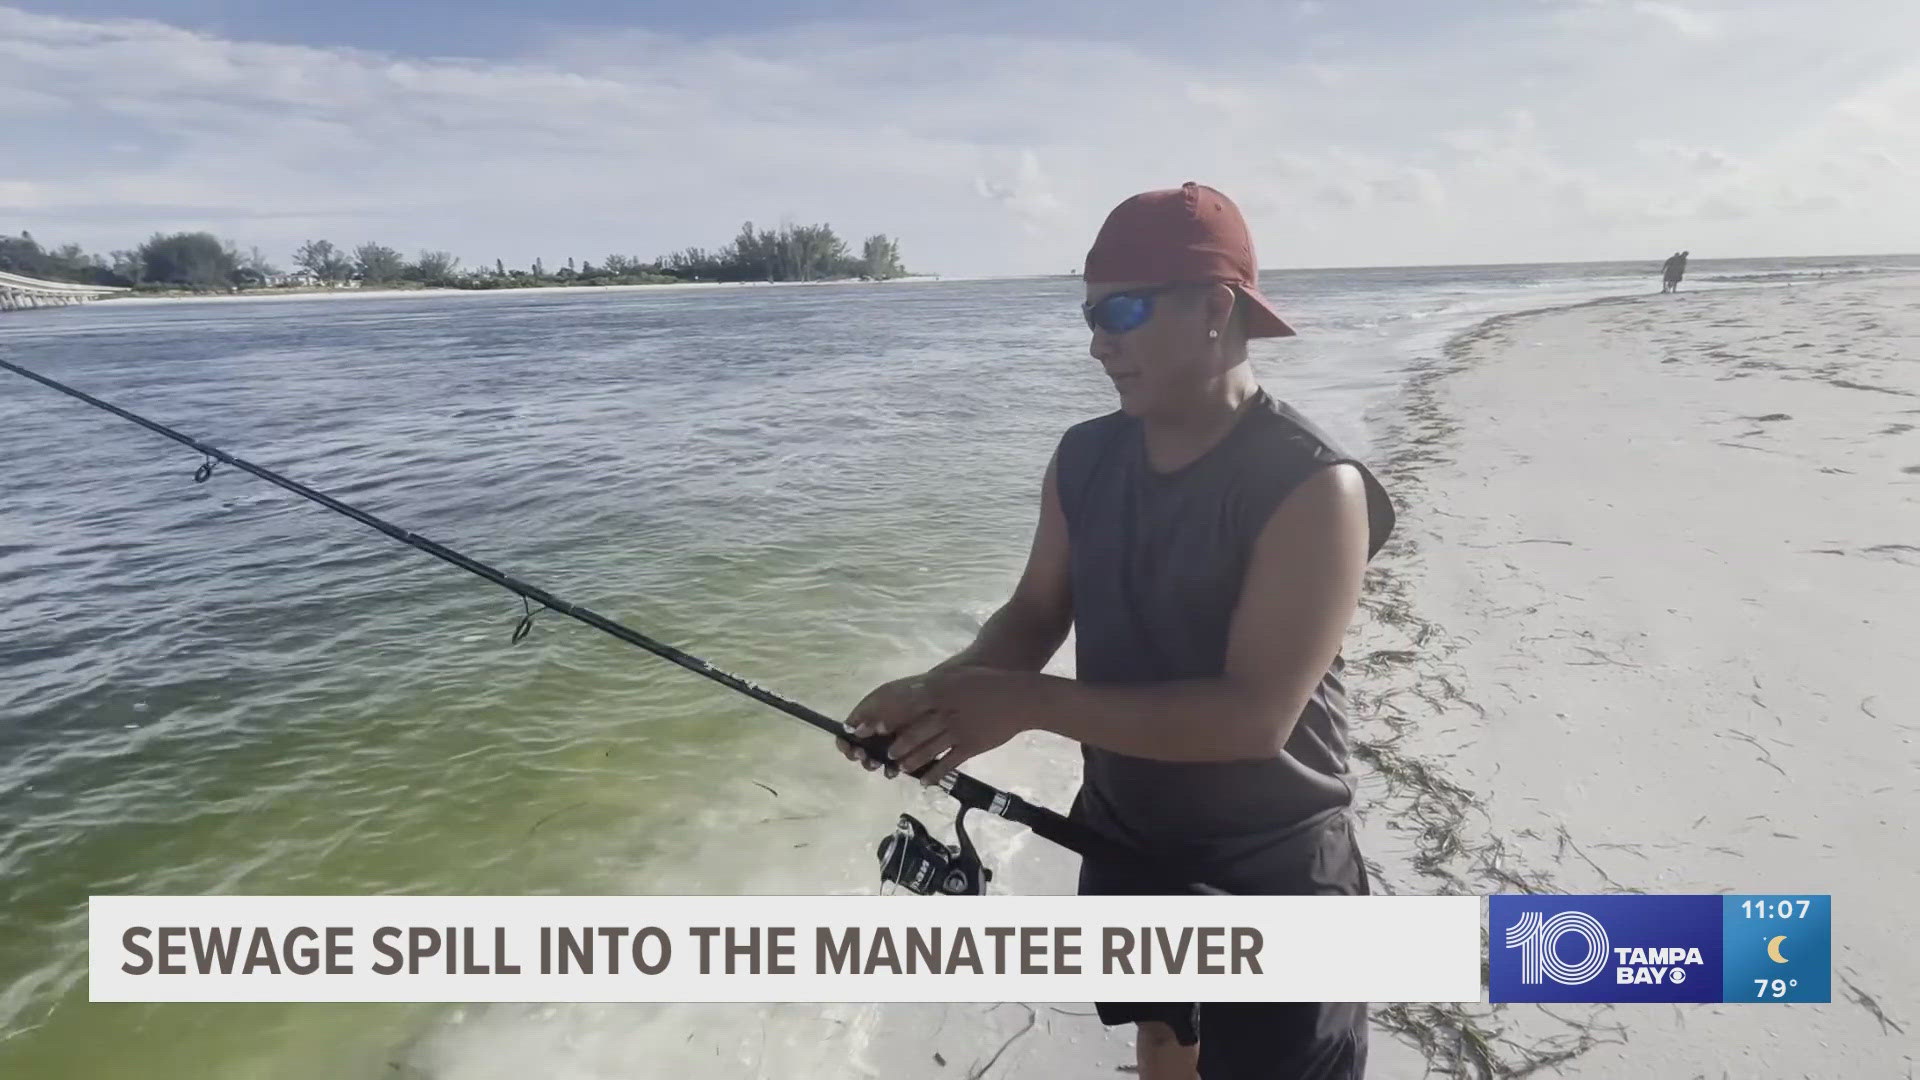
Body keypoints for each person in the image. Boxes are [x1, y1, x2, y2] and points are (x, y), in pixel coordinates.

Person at [839, 181, 1396, 1079]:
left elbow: (1253, 719)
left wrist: (1022, 705)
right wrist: (938, 697)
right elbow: (1031, 614)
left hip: (1275, 863)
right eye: (1090, 314)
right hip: (1130, 834)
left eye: (1124, 312)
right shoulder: (1084, 456)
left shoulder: (1313, 485)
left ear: (1216, 310)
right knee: (1163, 1039)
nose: (1098, 341)